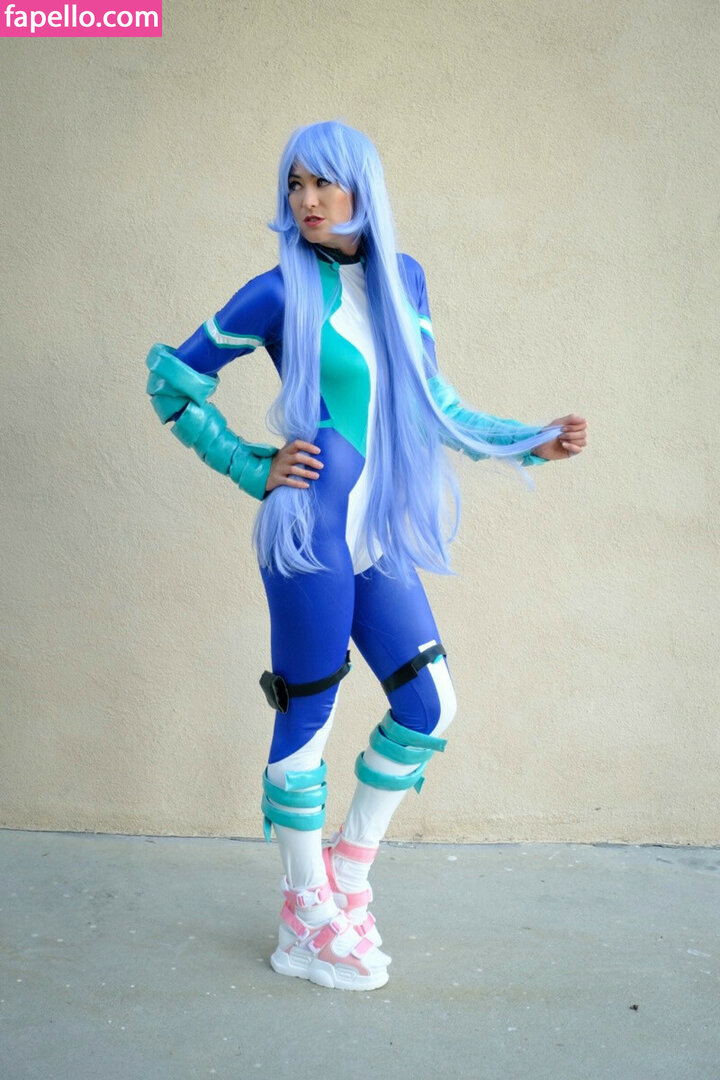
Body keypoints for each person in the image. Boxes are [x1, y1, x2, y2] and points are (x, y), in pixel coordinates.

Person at [145, 119, 588, 993]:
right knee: (306, 720)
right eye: (295, 184)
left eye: (324, 182)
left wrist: (528, 441)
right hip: (309, 533)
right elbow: (171, 382)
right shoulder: (277, 291)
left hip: (375, 532)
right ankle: (305, 916)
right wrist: (250, 464)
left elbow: (433, 401)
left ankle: (347, 878)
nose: (306, 200)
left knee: (431, 703)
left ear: (362, 187)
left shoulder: (403, 278)